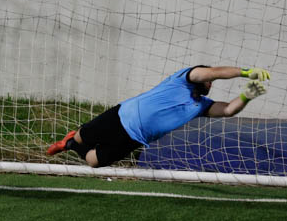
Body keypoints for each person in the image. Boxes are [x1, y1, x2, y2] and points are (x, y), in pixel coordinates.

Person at [47, 65, 270, 167]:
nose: (210, 83)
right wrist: (245, 72)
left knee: (93, 161)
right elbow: (213, 72)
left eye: (211, 83)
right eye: (208, 79)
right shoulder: (183, 78)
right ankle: (73, 140)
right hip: (123, 115)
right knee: (83, 137)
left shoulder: (201, 106)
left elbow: (229, 110)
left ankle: (68, 145)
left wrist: (247, 95)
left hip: (136, 138)